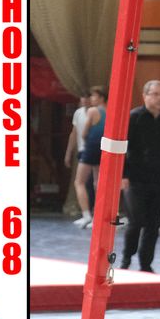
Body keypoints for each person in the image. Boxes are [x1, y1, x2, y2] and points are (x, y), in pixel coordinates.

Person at [120, 79, 160, 272]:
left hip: (158, 180)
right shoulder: (134, 118)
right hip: (135, 179)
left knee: (153, 224)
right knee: (136, 221)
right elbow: (122, 147)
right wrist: (123, 175)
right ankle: (126, 259)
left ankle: (146, 264)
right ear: (145, 96)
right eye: (155, 94)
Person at [77, 86, 107, 228]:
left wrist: (85, 138)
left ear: (101, 97)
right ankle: (97, 216)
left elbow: (84, 133)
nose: (91, 98)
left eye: (94, 96)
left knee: (79, 181)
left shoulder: (92, 111)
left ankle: (86, 215)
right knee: (98, 183)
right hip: (103, 148)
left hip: (91, 148)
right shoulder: (109, 111)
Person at [65, 92, 93, 228]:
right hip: (82, 150)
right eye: (83, 99)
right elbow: (74, 133)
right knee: (84, 183)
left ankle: (93, 214)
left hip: (94, 150)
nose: (85, 101)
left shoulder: (96, 112)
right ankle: (86, 214)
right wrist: (68, 152)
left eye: (87, 98)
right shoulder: (78, 113)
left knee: (93, 183)